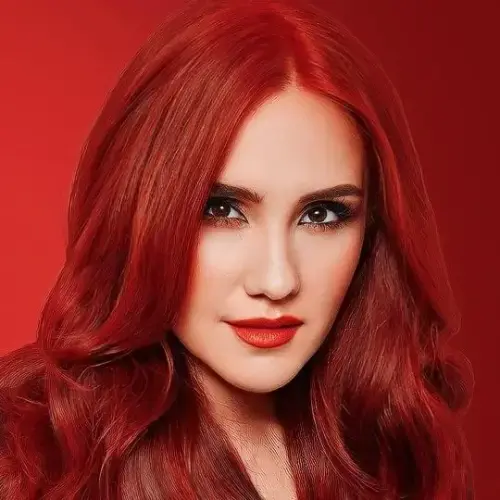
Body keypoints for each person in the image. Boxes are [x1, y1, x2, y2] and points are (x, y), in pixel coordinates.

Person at [0, 0, 474, 498]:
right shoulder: (28, 463)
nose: (277, 280)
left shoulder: (402, 450)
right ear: (139, 210)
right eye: (222, 210)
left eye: (321, 215)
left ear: (373, 228)